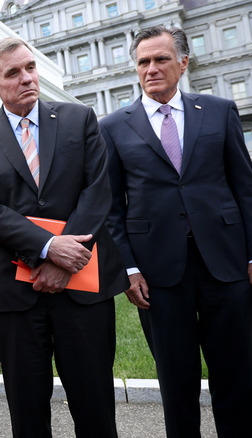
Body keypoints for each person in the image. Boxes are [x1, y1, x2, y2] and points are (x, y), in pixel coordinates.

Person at [0, 37, 128, 438]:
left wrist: (66, 258)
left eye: (30, 68)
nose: (26, 78)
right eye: (13, 73)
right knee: (27, 411)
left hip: (82, 285)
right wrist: (49, 248)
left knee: (95, 407)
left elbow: (97, 191)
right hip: (14, 296)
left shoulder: (80, 119)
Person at [100, 26, 252, 437]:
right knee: (176, 378)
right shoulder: (113, 127)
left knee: (236, 374)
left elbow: (244, 187)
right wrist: (127, 268)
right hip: (158, 272)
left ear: (183, 62)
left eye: (161, 59)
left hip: (227, 261)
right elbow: (112, 207)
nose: (151, 69)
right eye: (143, 62)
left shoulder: (219, 111)